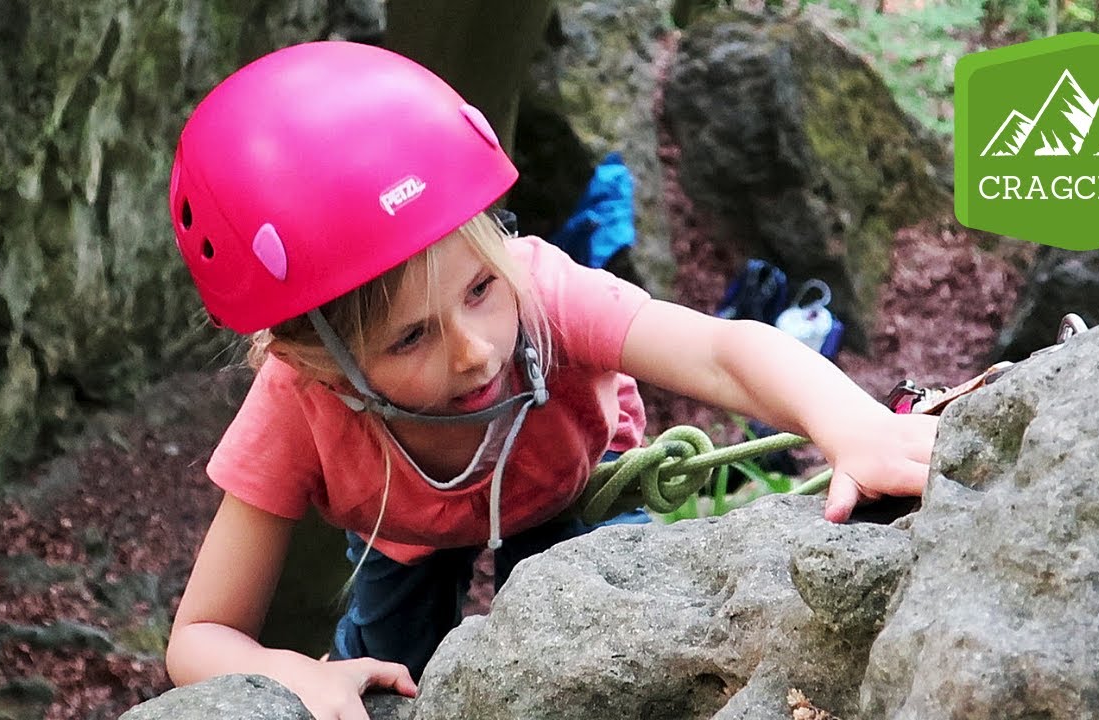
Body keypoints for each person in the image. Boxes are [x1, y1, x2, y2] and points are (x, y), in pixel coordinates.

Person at [163, 41, 938, 720]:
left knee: (613, 636)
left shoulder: (543, 293)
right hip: (405, 535)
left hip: (568, 480)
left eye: (478, 290)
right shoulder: (296, 404)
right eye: (410, 336)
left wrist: (854, 424)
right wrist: (289, 673)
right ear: (314, 363)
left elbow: (722, 351)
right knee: (393, 671)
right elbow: (200, 636)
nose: (472, 352)